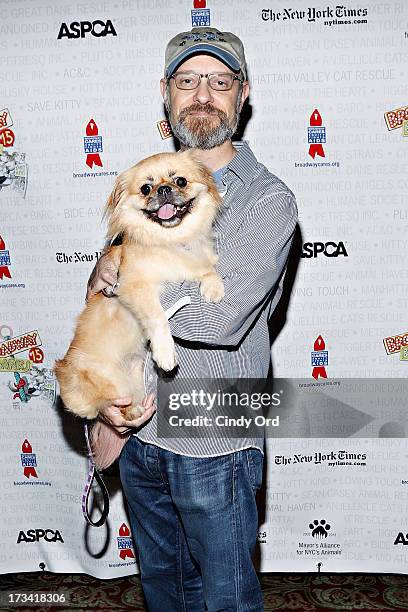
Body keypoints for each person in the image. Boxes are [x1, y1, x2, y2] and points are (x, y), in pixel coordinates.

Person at [87, 27, 297, 612]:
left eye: (219, 82)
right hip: (139, 427)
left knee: (225, 600)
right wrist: (106, 395)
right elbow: (100, 299)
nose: (202, 95)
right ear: (166, 93)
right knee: (165, 595)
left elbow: (220, 318)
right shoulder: (148, 183)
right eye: (188, 81)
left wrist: (127, 270)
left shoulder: (267, 199)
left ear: (243, 94)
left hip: (214, 435)